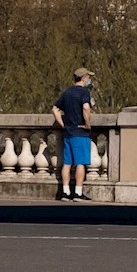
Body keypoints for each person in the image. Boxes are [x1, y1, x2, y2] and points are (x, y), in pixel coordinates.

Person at [52, 67, 95, 200]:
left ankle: (65, 192)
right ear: (84, 78)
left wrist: (63, 125)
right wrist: (87, 124)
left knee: (67, 163)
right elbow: (86, 107)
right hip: (80, 132)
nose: (90, 80)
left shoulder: (67, 92)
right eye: (89, 77)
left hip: (68, 132)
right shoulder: (84, 92)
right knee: (80, 163)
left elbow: (55, 109)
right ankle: (78, 192)